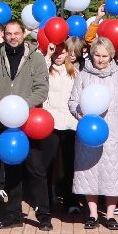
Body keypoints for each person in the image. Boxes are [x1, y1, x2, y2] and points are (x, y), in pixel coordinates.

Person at [0, 19, 50, 230]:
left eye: (16, 33)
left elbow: (41, 89)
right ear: (4, 36)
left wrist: (21, 107)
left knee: (36, 169)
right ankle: (13, 214)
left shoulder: (36, 59)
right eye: (9, 33)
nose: (13, 37)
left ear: (23, 34)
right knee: (11, 170)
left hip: (29, 122)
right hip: (5, 124)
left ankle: (44, 214)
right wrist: (2, 110)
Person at [70, 36, 118, 230]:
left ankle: (109, 215)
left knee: (113, 175)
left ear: (112, 56)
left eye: (104, 56)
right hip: (88, 135)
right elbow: (73, 101)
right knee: (88, 174)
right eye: (97, 55)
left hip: (114, 134)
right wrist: (78, 112)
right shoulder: (83, 75)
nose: (100, 59)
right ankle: (92, 213)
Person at [44, 38, 80, 215]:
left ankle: (71, 201)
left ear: (68, 53)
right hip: (50, 123)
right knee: (49, 163)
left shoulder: (75, 72)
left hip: (70, 123)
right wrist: (47, 55)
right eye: (55, 52)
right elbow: (38, 78)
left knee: (68, 163)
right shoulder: (46, 69)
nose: (58, 56)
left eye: (62, 52)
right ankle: (47, 200)